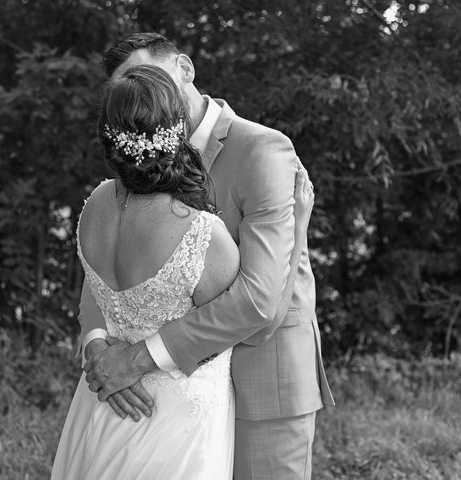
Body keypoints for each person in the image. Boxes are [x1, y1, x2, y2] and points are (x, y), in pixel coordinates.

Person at [80, 33, 335, 479]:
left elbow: (259, 300)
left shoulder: (262, 149)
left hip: (261, 381)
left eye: (148, 77)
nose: (141, 98)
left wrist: (136, 359)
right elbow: (100, 279)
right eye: (128, 89)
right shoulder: (127, 173)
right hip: (155, 402)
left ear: (185, 68)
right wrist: (98, 347)